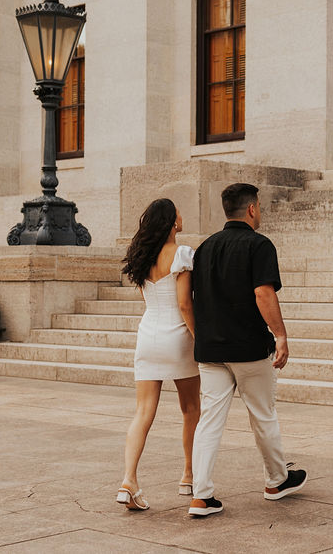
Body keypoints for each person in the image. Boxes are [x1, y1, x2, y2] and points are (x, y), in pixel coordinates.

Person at [187, 183, 306, 518]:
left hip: (210, 349)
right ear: (252, 208)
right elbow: (263, 293)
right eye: (261, 207)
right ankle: (276, 481)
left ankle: (201, 496)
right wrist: (281, 335)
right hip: (250, 349)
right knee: (263, 416)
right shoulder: (259, 245)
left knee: (209, 422)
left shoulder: (204, 247)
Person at [116, 198, 201, 511]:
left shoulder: (141, 256)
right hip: (177, 336)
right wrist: (199, 338)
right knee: (191, 407)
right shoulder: (182, 253)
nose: (182, 214)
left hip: (148, 334)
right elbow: (184, 304)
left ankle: (129, 479)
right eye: (178, 210)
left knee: (142, 411)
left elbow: (150, 300)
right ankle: (188, 475)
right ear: (172, 222)